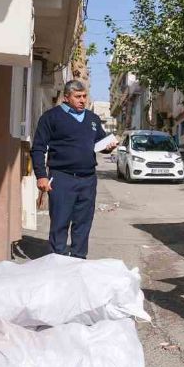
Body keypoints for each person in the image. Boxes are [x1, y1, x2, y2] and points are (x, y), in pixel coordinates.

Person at [30, 80, 116, 259]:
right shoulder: (51, 117)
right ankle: (57, 261)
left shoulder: (92, 119)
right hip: (62, 178)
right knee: (60, 222)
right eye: (78, 97)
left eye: (85, 96)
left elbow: (100, 142)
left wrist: (109, 145)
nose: (82, 100)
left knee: (83, 224)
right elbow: (38, 148)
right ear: (66, 97)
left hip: (88, 179)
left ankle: (79, 260)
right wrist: (41, 176)